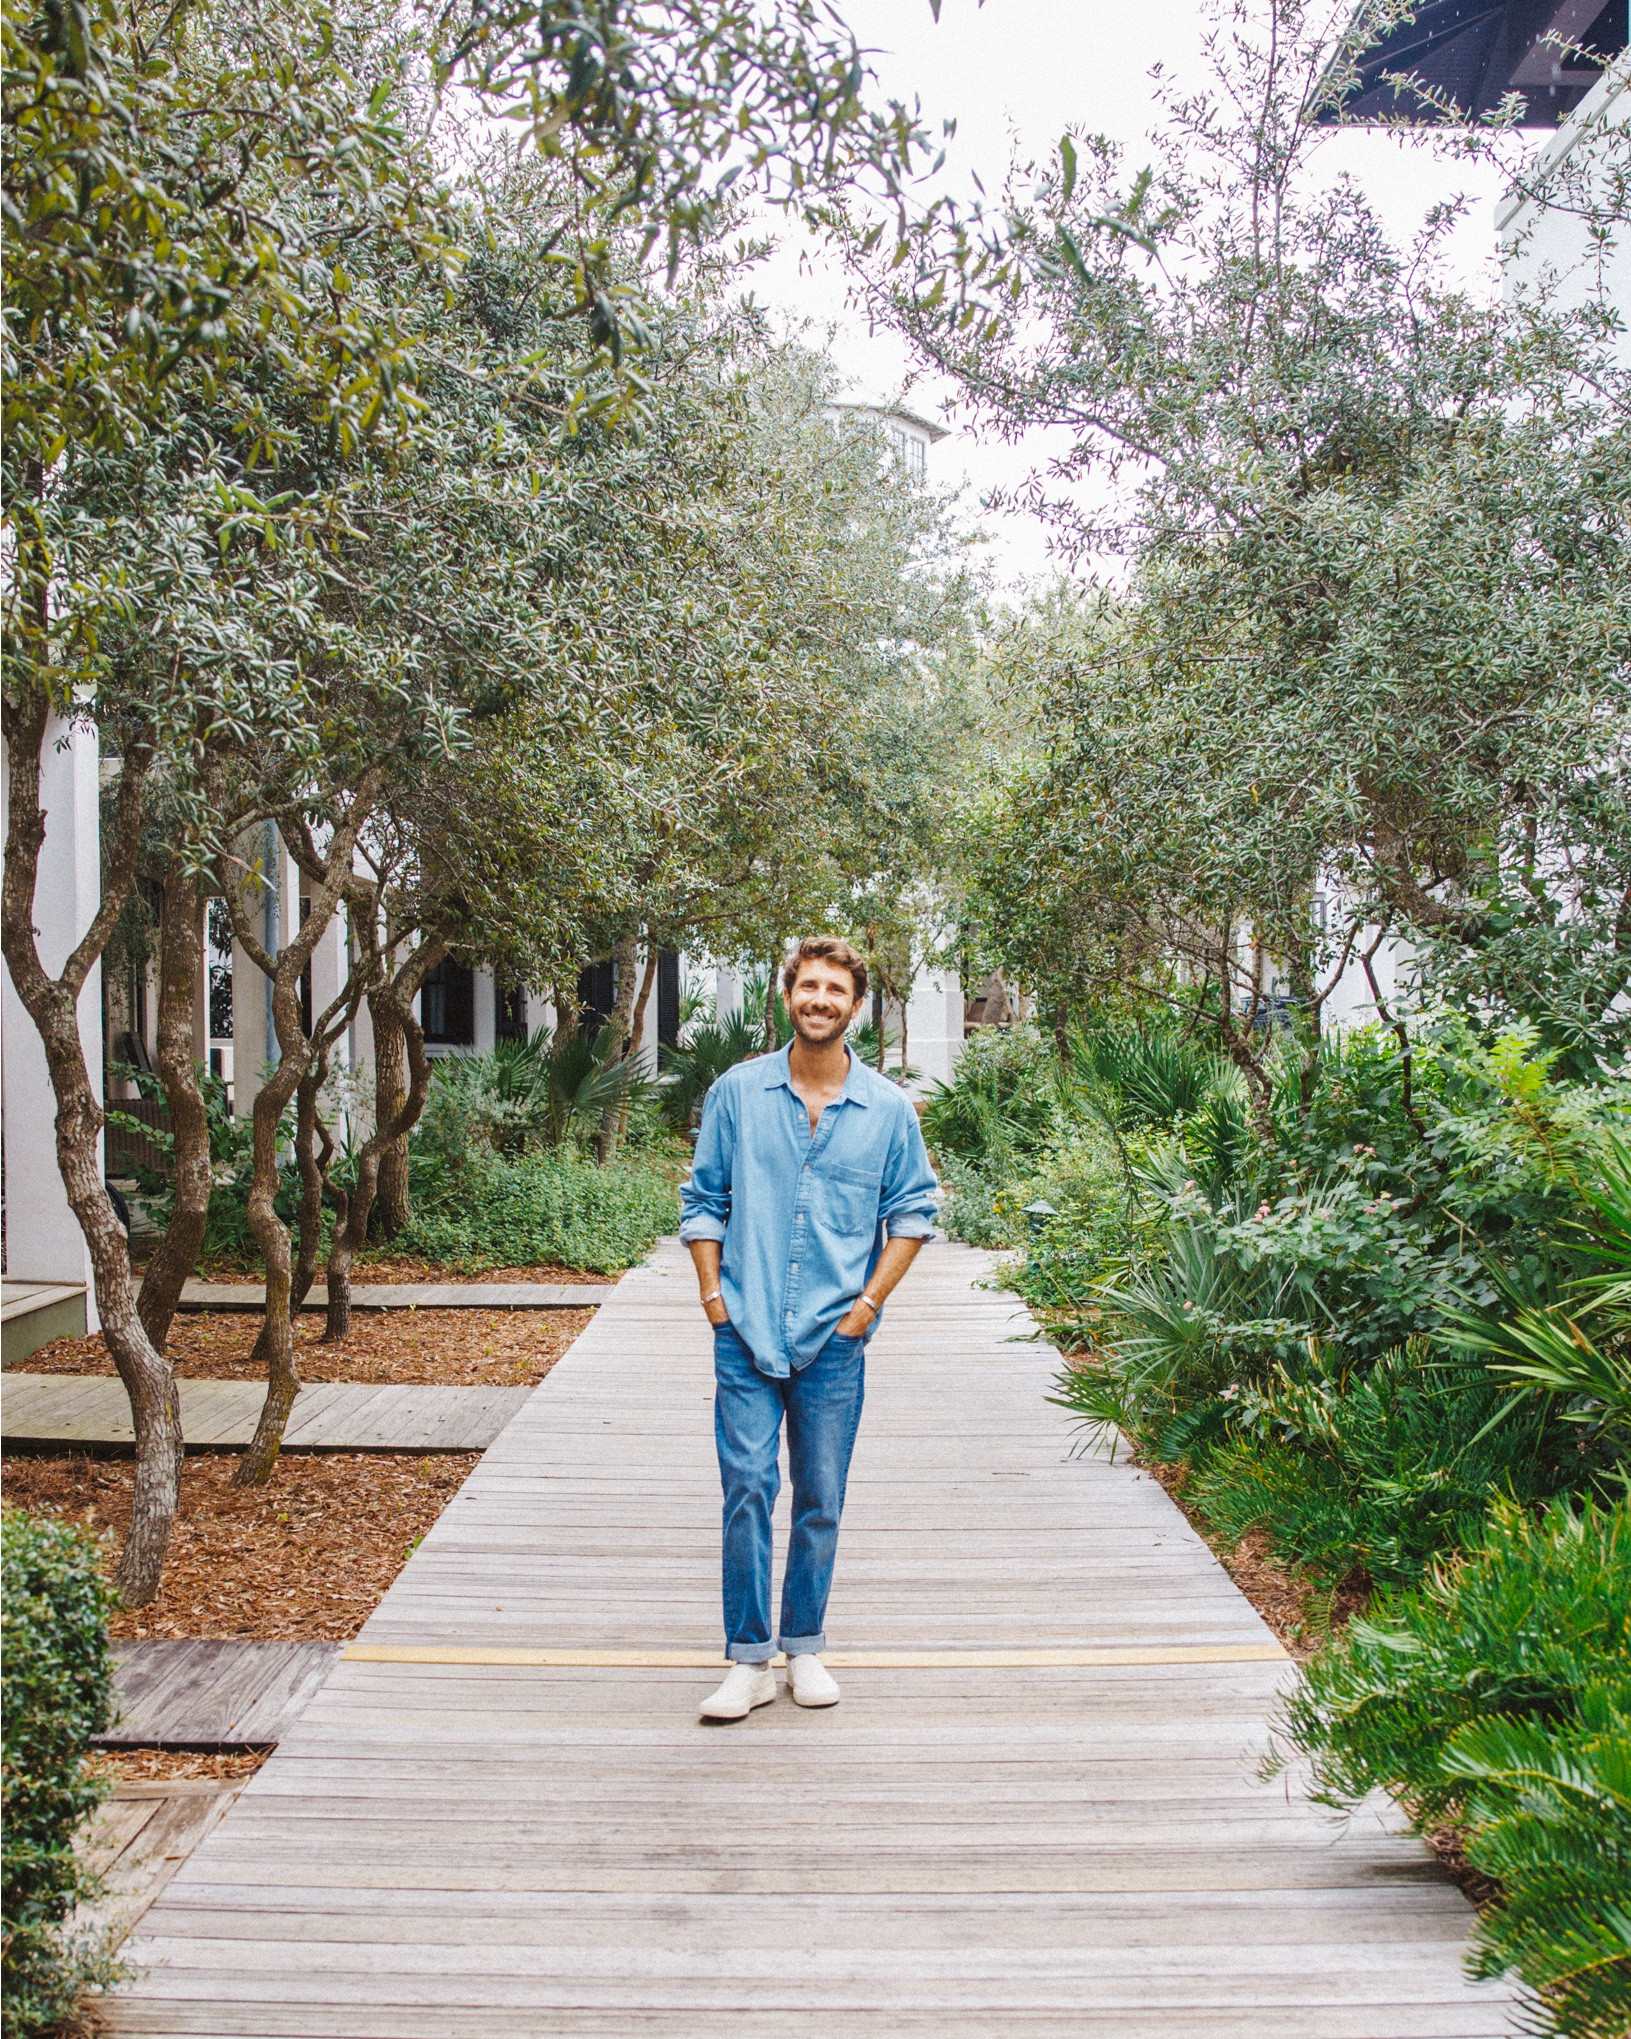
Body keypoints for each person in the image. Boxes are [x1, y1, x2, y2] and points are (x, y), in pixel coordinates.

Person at [679, 936, 940, 1722]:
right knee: (749, 1490)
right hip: (745, 1328)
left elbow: (913, 1213)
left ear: (854, 1007)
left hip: (835, 1337)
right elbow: (702, 1199)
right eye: (808, 985)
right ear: (788, 994)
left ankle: (804, 1646)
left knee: (820, 1494)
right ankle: (749, 1659)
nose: (820, 998)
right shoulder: (736, 1092)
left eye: (835, 989)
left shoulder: (887, 1109)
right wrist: (711, 1297)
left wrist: (864, 1309)